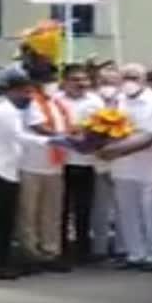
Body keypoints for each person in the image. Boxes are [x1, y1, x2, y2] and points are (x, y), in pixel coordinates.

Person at [0, 68, 48, 279]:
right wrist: (51, 141)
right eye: (25, 92)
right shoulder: (5, 111)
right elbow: (20, 137)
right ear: (11, 91)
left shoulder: (11, 110)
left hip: (7, 172)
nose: (28, 97)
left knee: (4, 222)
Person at [97, 64, 152, 271]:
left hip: (147, 164)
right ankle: (134, 253)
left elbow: (151, 135)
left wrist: (116, 150)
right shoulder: (118, 100)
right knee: (126, 210)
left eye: (134, 77)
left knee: (150, 210)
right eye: (125, 76)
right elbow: (104, 126)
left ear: (144, 79)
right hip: (122, 166)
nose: (129, 81)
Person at [18, 69, 73, 273]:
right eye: (47, 80)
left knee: (52, 213)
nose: (52, 83)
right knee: (29, 213)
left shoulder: (56, 102)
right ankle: (31, 253)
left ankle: (51, 252)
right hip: (31, 164)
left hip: (55, 166)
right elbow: (38, 127)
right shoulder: (30, 101)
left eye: (53, 79)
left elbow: (67, 126)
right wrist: (66, 138)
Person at [54, 64, 104, 264]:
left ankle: (84, 249)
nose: (80, 83)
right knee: (62, 208)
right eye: (75, 79)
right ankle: (62, 249)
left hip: (87, 161)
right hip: (62, 161)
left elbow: (104, 127)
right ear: (64, 81)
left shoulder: (95, 101)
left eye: (84, 79)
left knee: (84, 208)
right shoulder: (56, 100)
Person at [91, 67, 126, 260]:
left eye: (113, 82)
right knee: (100, 206)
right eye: (104, 82)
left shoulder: (125, 103)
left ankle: (122, 247)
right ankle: (100, 247)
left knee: (121, 206)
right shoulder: (92, 102)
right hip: (98, 159)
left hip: (122, 158)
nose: (108, 87)